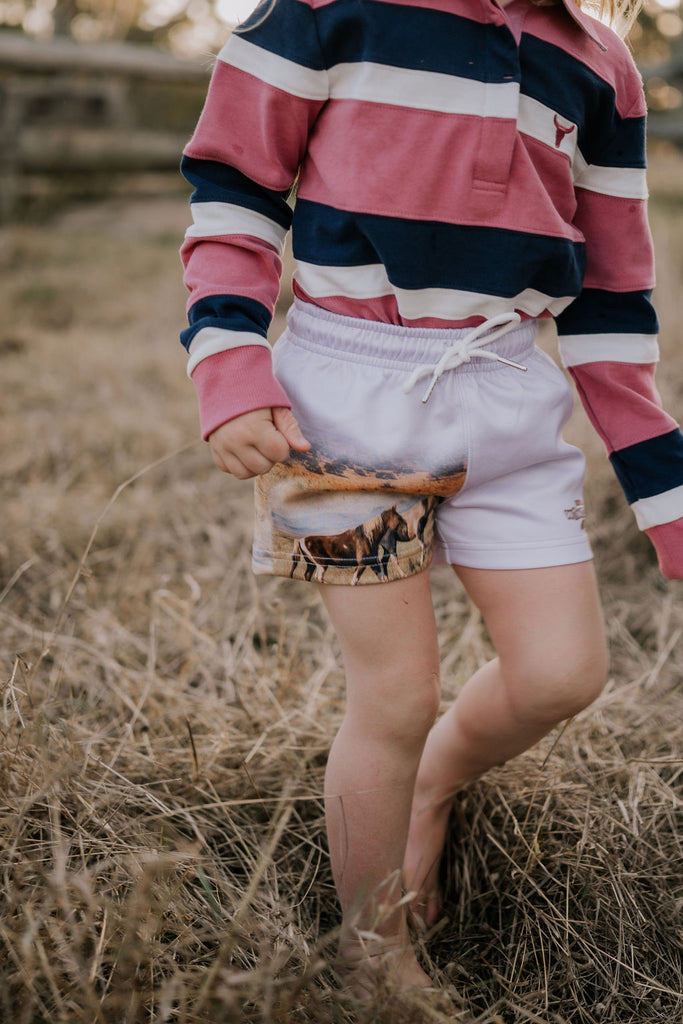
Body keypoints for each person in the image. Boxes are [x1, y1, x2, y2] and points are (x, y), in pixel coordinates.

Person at [179, 0, 683, 995]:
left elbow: (613, 297)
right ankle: (374, 957)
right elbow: (232, 189)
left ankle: (433, 780)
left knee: (559, 673)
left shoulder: (599, 62)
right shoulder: (328, 12)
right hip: (337, 402)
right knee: (395, 694)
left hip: (506, 396)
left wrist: (663, 492)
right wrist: (230, 363)